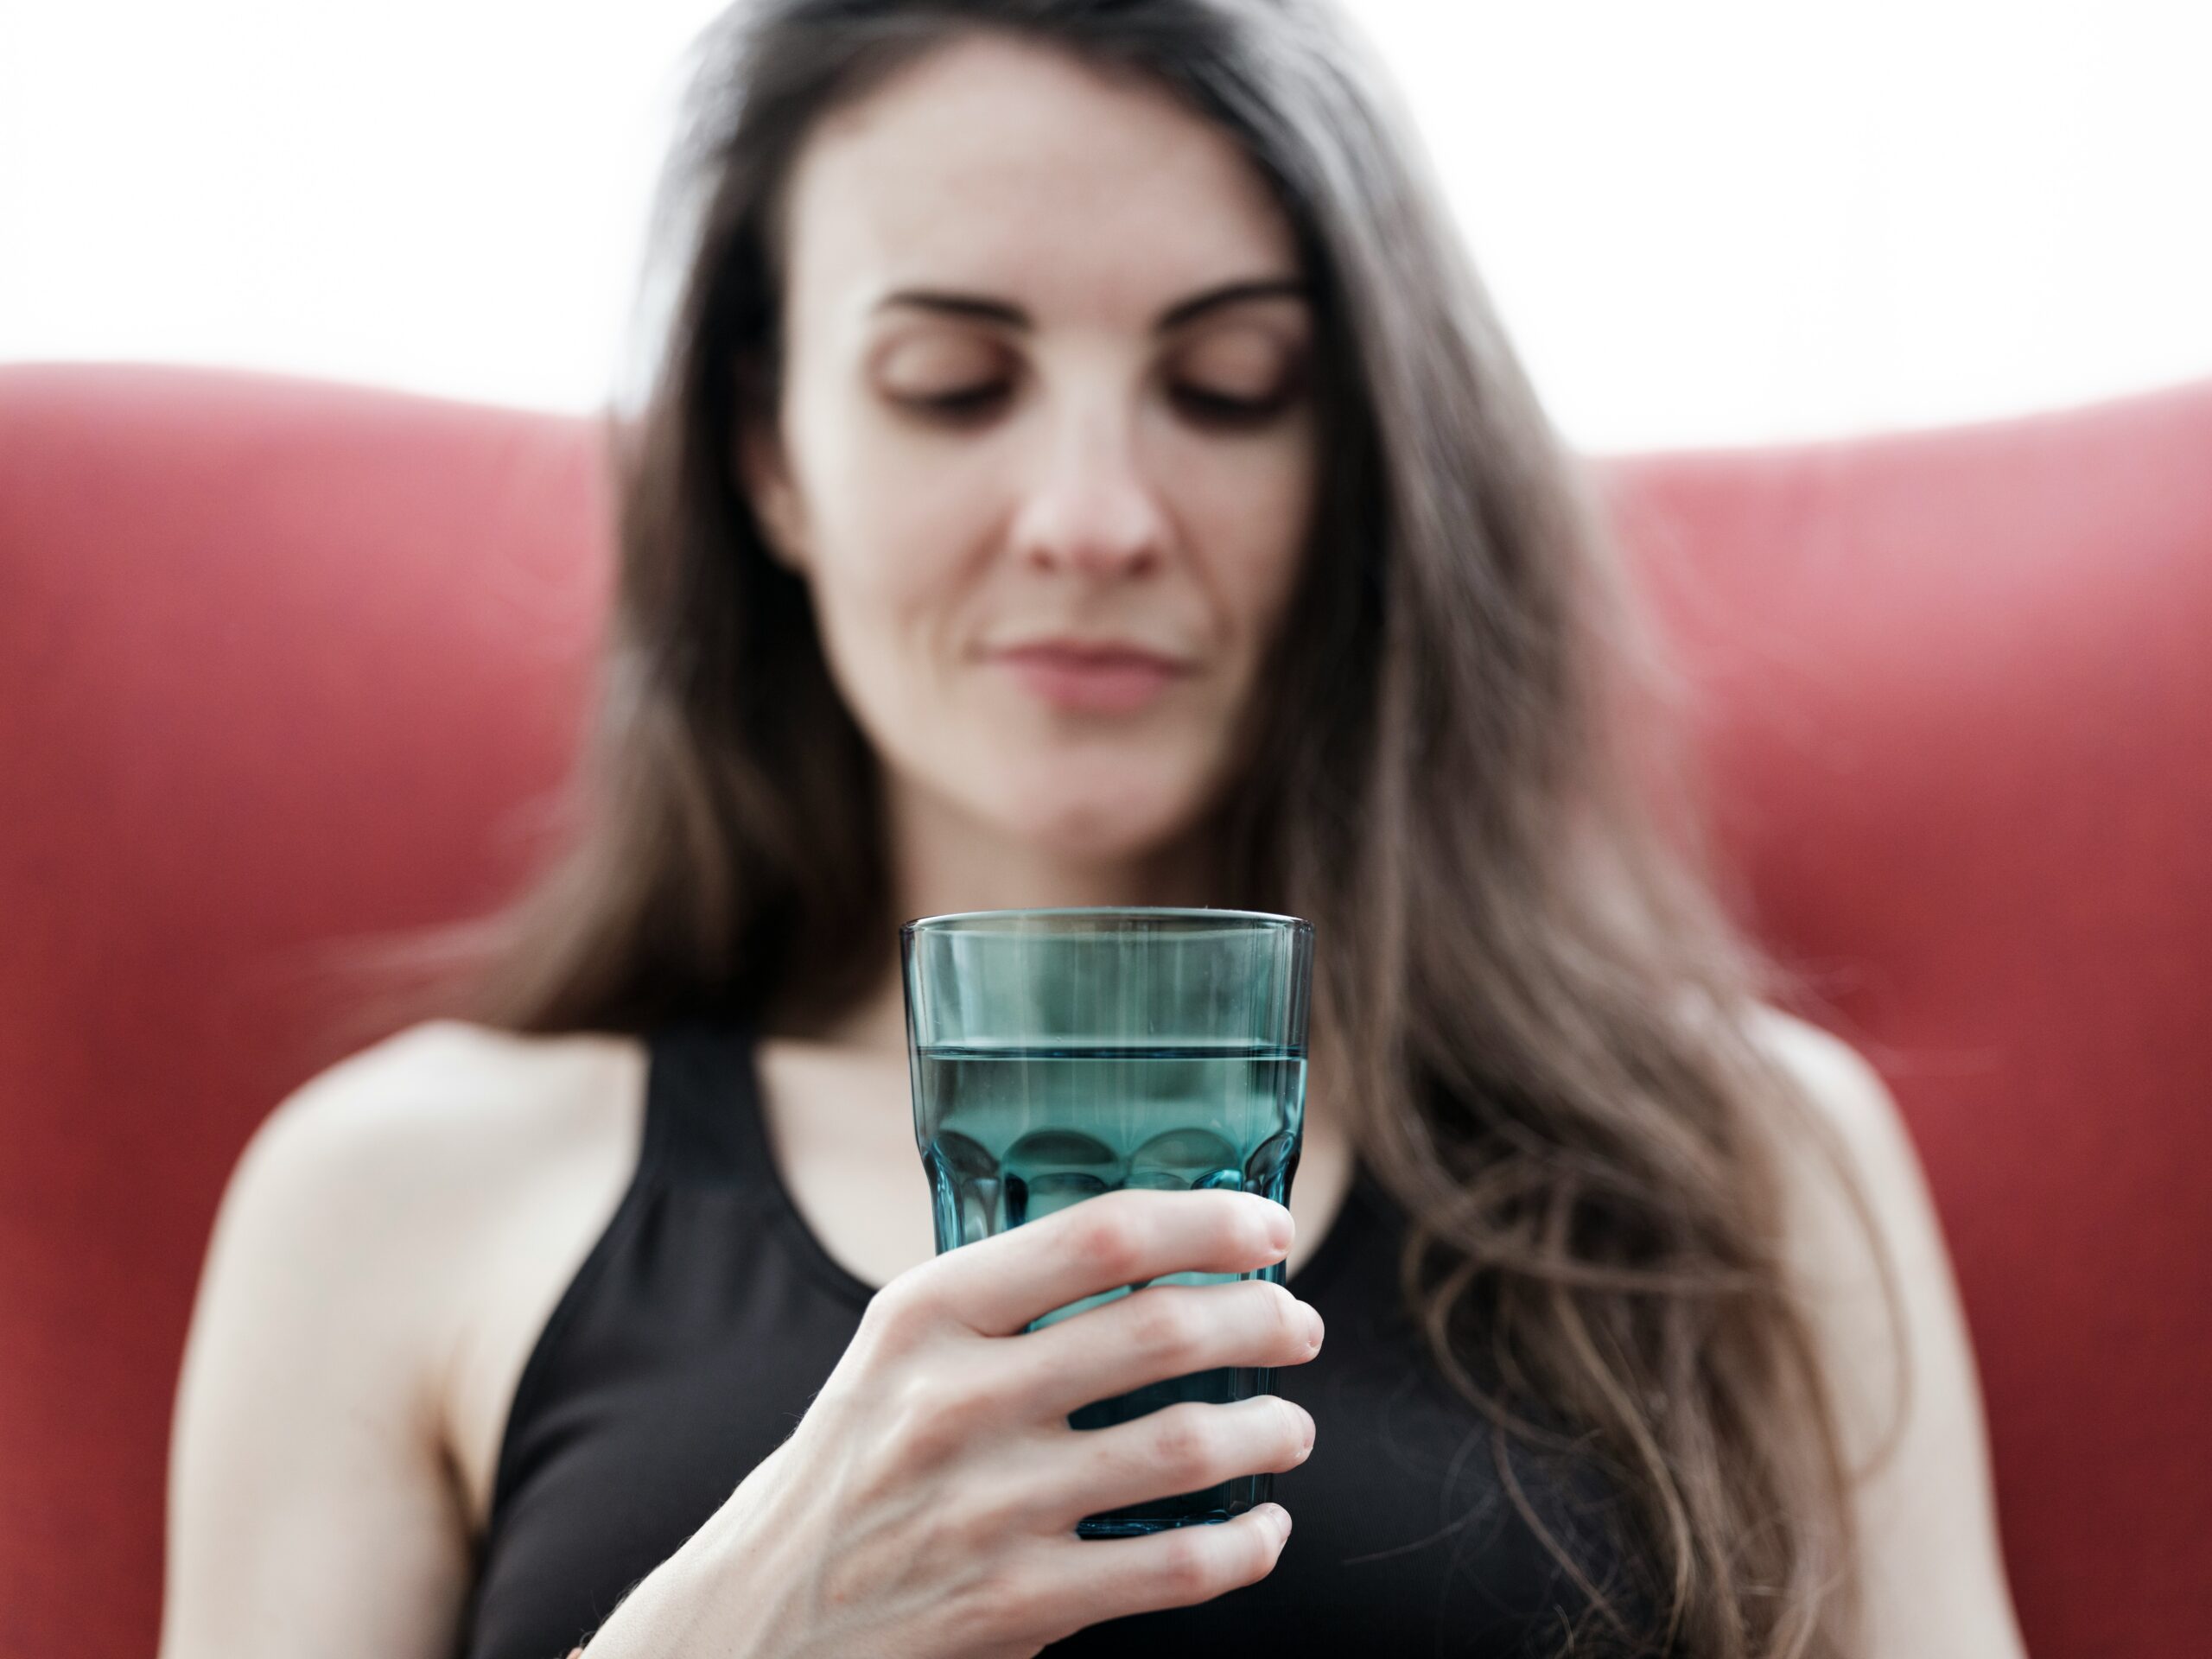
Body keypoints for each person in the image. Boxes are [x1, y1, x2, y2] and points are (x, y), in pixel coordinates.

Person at [157, 3, 2030, 1656]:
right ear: (767, 455)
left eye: (1228, 390)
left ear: (1364, 463)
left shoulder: (1738, 1162)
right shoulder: (401, 1192)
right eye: (949, 387)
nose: (1090, 516)